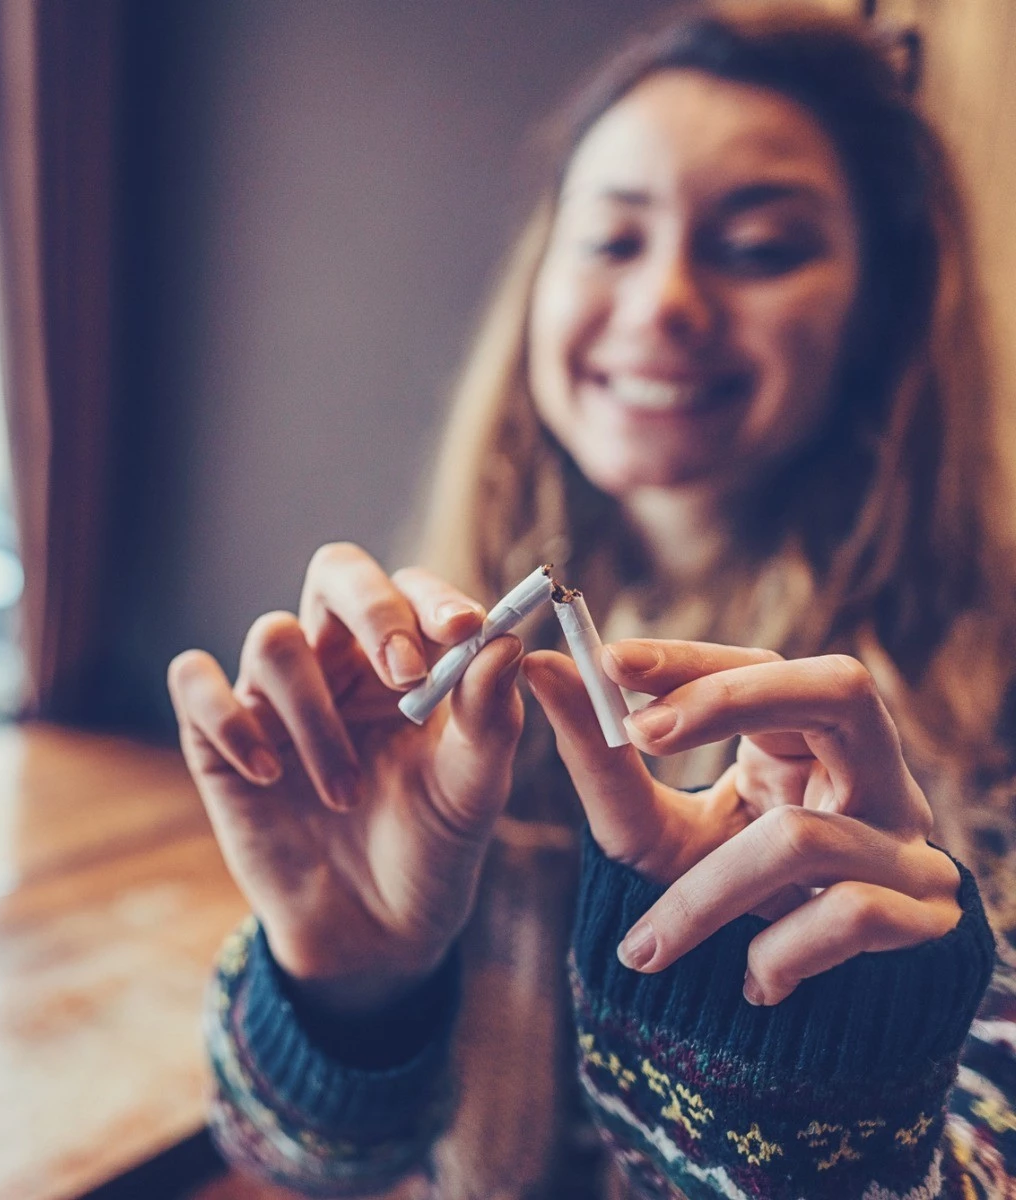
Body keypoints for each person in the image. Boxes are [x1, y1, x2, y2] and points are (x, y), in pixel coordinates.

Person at [167, 5, 1016, 1197]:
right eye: (612, 240)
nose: (665, 301)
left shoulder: (994, 713)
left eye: (763, 247)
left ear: (883, 308)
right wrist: (347, 983)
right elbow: (294, 1162)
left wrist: (824, 1082)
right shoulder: (443, 676)